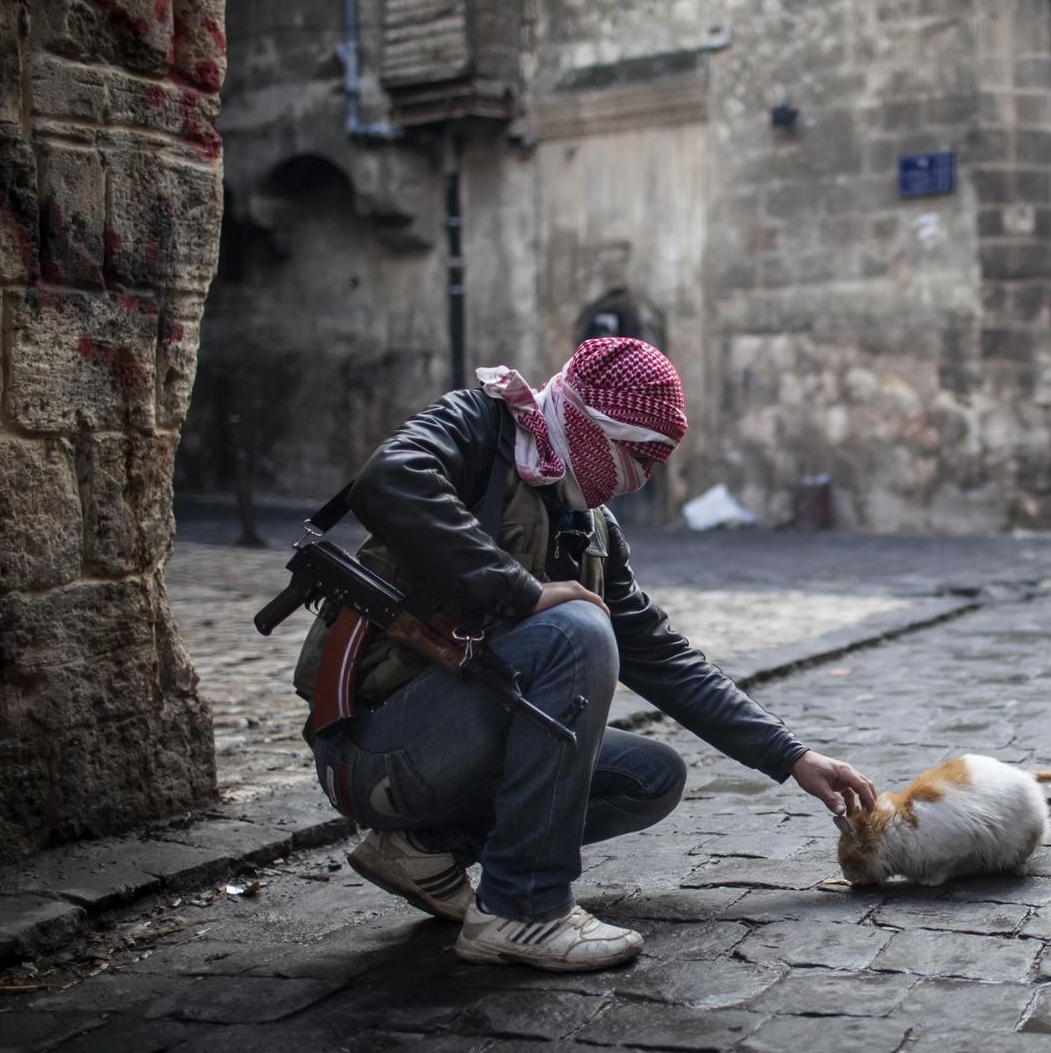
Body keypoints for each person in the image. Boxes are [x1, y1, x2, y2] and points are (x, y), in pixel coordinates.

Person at [290, 337, 876, 972]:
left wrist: (792, 756)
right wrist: (521, 591)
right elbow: (387, 479)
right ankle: (523, 907)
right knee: (577, 628)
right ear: (596, 426)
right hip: (373, 748)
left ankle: (422, 846)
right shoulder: (475, 425)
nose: (644, 477)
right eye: (639, 455)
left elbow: (663, 655)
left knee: (649, 777)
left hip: (453, 749)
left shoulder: (588, 527)